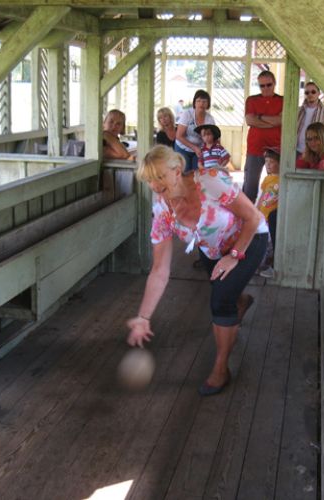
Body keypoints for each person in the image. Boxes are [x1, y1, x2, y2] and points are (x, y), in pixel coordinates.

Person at [127, 145, 268, 396]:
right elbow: (159, 270)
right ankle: (240, 301)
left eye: (160, 176)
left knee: (220, 301)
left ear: (177, 170)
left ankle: (221, 370)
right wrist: (144, 317)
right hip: (212, 251)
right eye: (149, 180)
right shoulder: (163, 212)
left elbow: (253, 217)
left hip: (250, 239)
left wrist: (234, 256)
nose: (155, 185)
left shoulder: (210, 182)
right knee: (226, 294)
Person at [243, 70, 283, 202]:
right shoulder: (252, 100)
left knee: (275, 186)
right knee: (250, 187)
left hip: (276, 149)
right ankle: (247, 214)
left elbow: (281, 121)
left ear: (274, 83)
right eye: (262, 85)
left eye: (269, 85)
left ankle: (272, 213)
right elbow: (250, 120)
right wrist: (272, 122)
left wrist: (259, 117)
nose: (266, 88)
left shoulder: (282, 101)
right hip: (255, 148)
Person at [175, 90, 215, 173]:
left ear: (208, 104)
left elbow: (213, 139)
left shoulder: (210, 119)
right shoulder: (187, 114)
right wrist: (194, 148)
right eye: (198, 101)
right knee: (185, 172)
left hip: (200, 150)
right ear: (194, 103)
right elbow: (179, 136)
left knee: (198, 173)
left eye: (204, 101)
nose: (201, 104)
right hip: (183, 147)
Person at [255, 147, 280, 279]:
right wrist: (256, 210)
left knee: (268, 243)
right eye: (266, 161)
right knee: (262, 241)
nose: (268, 165)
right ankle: (258, 264)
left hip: (272, 218)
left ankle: (264, 264)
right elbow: (263, 195)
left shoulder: (282, 180)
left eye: (272, 162)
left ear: (280, 163)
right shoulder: (267, 179)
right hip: (263, 217)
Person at [296, 82, 324, 156]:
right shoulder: (298, 110)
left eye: (313, 92)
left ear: (319, 93)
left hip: (315, 153)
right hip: (296, 150)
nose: (310, 94)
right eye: (307, 92)